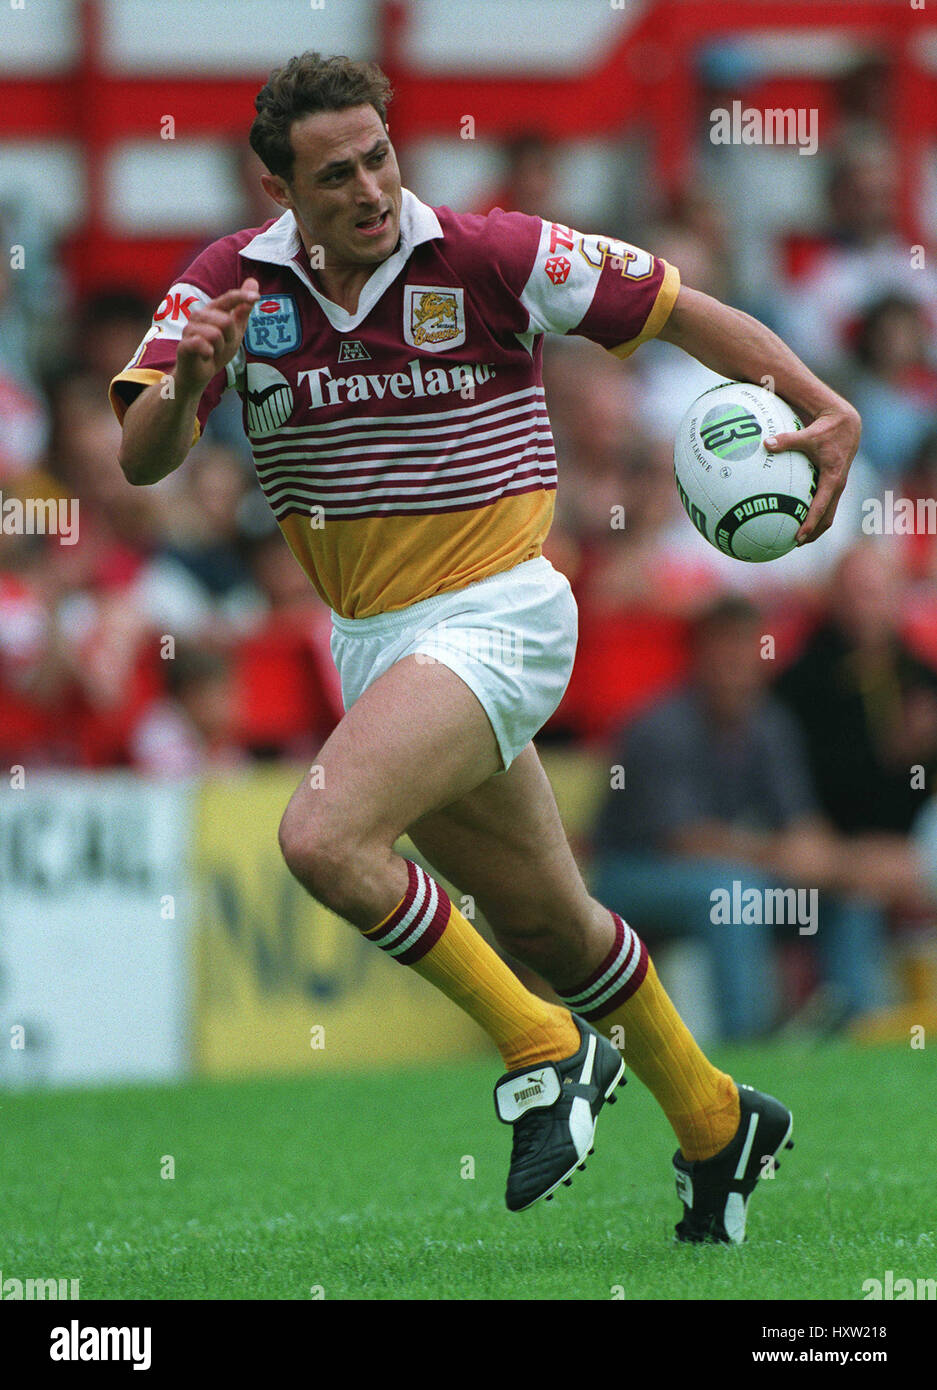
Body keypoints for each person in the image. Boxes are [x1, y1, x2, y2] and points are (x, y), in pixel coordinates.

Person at [108, 52, 860, 1244]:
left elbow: (677, 309)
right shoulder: (226, 288)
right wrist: (188, 379)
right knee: (554, 924)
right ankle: (718, 1122)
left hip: (500, 613)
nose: (367, 188)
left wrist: (820, 400)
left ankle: (540, 1051)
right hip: (374, 644)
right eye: (333, 174)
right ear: (277, 187)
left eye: (379, 157)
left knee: (320, 836)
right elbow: (141, 459)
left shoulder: (492, 254)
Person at [592, 595, 891, 1038]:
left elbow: (800, 822)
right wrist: (781, 854)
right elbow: (683, 840)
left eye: (745, 651)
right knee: (734, 894)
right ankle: (748, 1045)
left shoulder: (771, 724)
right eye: (723, 651)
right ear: (698, 657)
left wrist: (832, 862)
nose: (736, 664)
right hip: (628, 875)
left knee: (847, 891)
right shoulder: (660, 726)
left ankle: (862, 1034)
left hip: (735, 869)